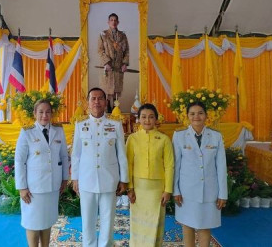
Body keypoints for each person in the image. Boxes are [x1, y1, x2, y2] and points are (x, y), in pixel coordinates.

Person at [71, 87, 128, 247]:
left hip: (109, 180)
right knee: (88, 221)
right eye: (93, 98)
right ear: (88, 103)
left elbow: (121, 154)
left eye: (100, 98)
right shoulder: (80, 124)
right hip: (86, 180)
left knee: (108, 220)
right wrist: (75, 178)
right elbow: (76, 154)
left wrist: (123, 179)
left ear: (106, 102)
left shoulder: (115, 125)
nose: (96, 101)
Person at [15, 99, 69, 247]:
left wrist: (65, 179)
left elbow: (64, 156)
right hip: (33, 188)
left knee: (47, 220)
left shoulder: (58, 130)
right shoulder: (27, 132)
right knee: (32, 222)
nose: (44, 115)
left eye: (47, 112)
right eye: (41, 112)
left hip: (53, 186)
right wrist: (22, 187)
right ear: (34, 113)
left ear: (52, 114)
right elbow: (19, 161)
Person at [173, 101, 227, 247]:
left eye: (200, 113)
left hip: (209, 190)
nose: (196, 116)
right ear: (187, 116)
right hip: (186, 191)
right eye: (192, 113)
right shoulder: (179, 136)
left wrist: (223, 194)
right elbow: (176, 166)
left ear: (206, 116)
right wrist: (175, 190)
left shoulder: (216, 136)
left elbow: (221, 166)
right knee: (187, 224)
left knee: (205, 225)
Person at [126, 103, 174, 246]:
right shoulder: (132, 138)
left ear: (156, 119)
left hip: (157, 189)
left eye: (151, 117)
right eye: (144, 117)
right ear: (138, 119)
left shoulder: (164, 139)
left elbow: (169, 165)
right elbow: (129, 164)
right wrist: (130, 187)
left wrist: (168, 190)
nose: (147, 120)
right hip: (138, 188)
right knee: (139, 224)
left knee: (155, 222)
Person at [98, 13, 130, 112]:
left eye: (115, 20)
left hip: (118, 68)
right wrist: (106, 63)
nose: (113, 22)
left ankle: (116, 112)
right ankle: (107, 111)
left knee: (116, 92)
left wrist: (124, 64)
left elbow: (127, 51)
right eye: (111, 20)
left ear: (118, 22)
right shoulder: (103, 35)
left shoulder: (123, 36)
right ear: (108, 22)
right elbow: (100, 50)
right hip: (108, 68)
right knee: (107, 92)